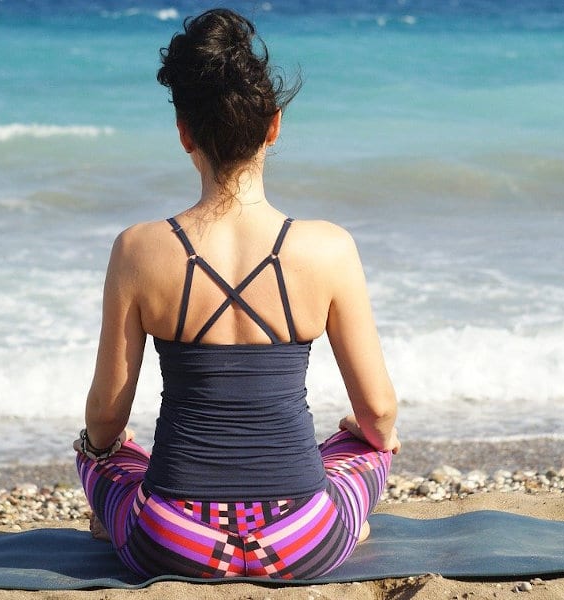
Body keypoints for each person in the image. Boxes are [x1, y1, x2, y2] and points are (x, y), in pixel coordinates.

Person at [74, 8, 400, 579]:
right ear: (273, 126)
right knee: (368, 450)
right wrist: (366, 437)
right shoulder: (329, 248)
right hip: (301, 537)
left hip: (173, 539)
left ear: (185, 135)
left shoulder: (137, 250)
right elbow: (378, 412)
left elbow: (105, 418)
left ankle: (116, 518)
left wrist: (104, 448)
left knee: (98, 456)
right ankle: (349, 520)